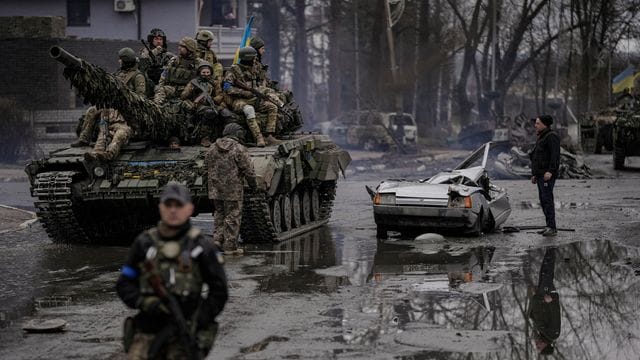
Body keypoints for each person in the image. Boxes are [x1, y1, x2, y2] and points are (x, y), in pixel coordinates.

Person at [116, 183, 228, 359]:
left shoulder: (202, 247)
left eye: (179, 205)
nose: (173, 211)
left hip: (185, 329)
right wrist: (145, 302)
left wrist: (199, 318)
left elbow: (219, 291)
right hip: (148, 328)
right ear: (160, 208)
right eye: (169, 205)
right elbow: (124, 283)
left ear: (190, 209)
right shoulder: (144, 243)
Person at [73, 48, 145, 159]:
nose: (119, 61)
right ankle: (85, 139)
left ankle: (108, 154)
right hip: (112, 111)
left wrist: (125, 97)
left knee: (119, 135)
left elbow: (141, 97)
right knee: (93, 113)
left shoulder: (137, 76)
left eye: (121, 59)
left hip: (127, 114)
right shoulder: (118, 74)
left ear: (126, 61)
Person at [205, 123, 257, 254]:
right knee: (233, 216)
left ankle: (217, 240)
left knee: (219, 213)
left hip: (215, 189)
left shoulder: (211, 148)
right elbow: (249, 170)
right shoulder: (239, 149)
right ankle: (230, 246)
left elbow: (205, 165)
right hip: (233, 189)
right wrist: (253, 185)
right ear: (238, 134)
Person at [223, 47, 280, 147]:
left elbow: (258, 86)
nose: (255, 60)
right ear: (247, 59)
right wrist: (243, 92)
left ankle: (269, 135)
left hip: (253, 98)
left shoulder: (253, 69)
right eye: (253, 59)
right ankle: (259, 137)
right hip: (238, 101)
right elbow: (227, 88)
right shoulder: (232, 72)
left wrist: (266, 92)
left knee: (272, 106)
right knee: (249, 110)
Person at [530, 115, 561, 237]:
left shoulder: (551, 136)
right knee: (543, 201)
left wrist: (551, 171)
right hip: (540, 175)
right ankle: (548, 225)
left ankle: (552, 228)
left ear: (545, 124)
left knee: (547, 200)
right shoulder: (542, 136)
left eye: (538, 123)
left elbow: (555, 156)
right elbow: (537, 157)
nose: (535, 125)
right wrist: (534, 174)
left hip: (547, 175)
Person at [528, 247, 561, 355]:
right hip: (548, 297)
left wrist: (535, 297)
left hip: (540, 297)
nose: (537, 344)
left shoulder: (542, 333)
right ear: (546, 346)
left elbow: (535, 315)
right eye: (539, 347)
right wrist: (550, 301)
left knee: (543, 272)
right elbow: (555, 315)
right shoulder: (553, 334)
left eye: (536, 346)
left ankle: (549, 249)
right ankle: (551, 247)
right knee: (547, 272)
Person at [181, 61, 222, 146]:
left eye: (208, 72)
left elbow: (220, 95)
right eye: (203, 72)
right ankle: (204, 138)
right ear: (199, 72)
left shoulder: (214, 83)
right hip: (198, 106)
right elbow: (183, 96)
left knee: (225, 113)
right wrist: (192, 90)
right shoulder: (193, 82)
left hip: (212, 104)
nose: (206, 74)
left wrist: (213, 99)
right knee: (209, 112)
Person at [154, 37, 200, 105]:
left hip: (189, 92)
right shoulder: (174, 61)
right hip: (173, 89)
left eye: (182, 46)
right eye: (179, 46)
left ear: (189, 49)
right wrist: (160, 87)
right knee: (161, 89)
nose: (179, 48)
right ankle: (156, 107)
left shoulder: (199, 63)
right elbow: (164, 76)